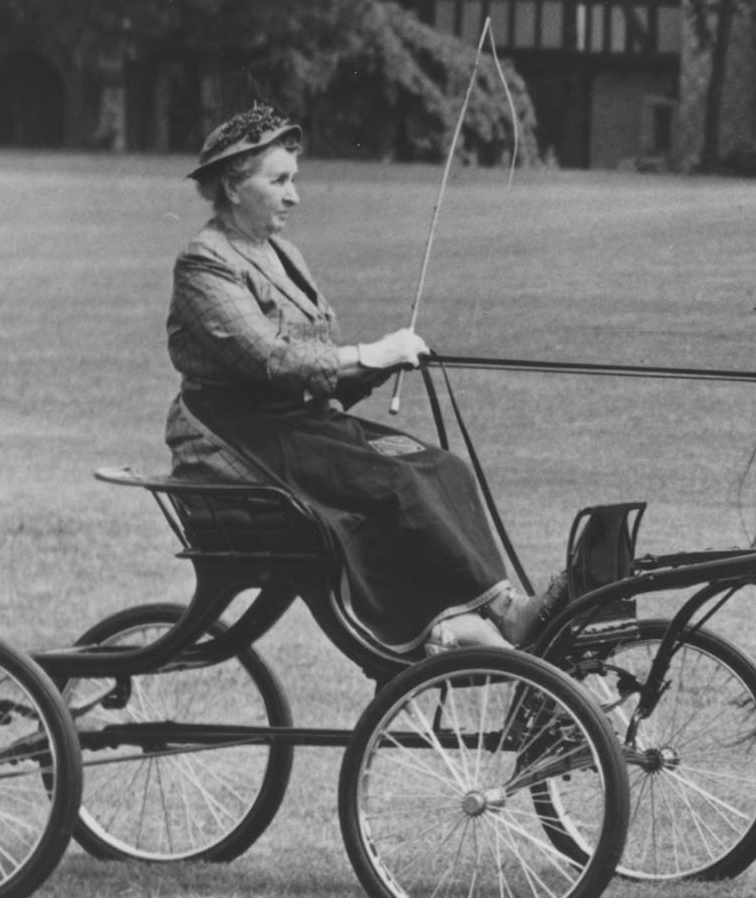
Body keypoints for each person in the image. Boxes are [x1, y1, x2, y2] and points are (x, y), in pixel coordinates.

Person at [164, 105, 556, 653]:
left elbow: (319, 368)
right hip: (233, 436)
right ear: (232, 186)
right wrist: (371, 354)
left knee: (439, 466)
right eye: (278, 181)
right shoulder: (204, 262)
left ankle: (492, 609)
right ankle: (461, 622)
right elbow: (272, 360)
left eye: (292, 180)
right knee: (395, 482)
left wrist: (383, 363)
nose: (294, 196)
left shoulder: (282, 253)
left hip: (295, 424)